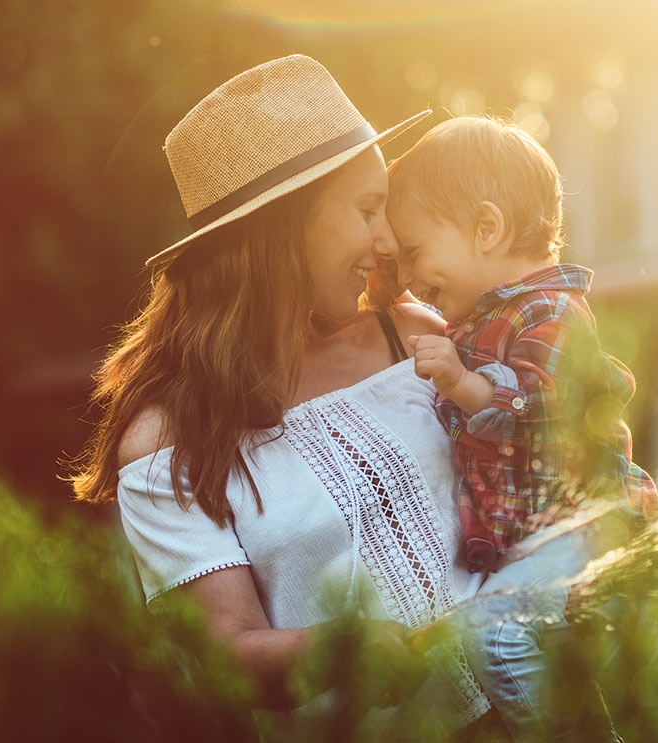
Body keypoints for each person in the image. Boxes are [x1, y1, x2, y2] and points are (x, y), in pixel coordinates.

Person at [68, 55, 494, 737]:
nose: (386, 241)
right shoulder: (165, 439)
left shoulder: (414, 338)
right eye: (366, 211)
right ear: (284, 227)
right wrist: (341, 648)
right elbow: (223, 650)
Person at [385, 115, 658, 740]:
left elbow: (544, 407)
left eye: (416, 252)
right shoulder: (480, 318)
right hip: (543, 535)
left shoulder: (551, 310)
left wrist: (464, 383)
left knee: (500, 640)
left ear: (487, 228)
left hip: (586, 527)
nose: (408, 276)